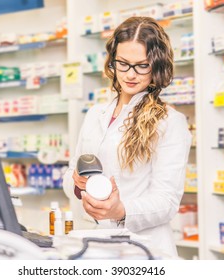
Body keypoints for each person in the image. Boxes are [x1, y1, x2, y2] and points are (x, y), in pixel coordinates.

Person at [63, 16, 192, 258]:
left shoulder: (170, 122)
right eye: (122, 63)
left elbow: (166, 202)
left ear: (157, 66)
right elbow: (70, 173)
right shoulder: (95, 114)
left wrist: (120, 210)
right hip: (94, 246)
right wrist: (79, 185)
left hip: (144, 251)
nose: (130, 74)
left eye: (142, 65)